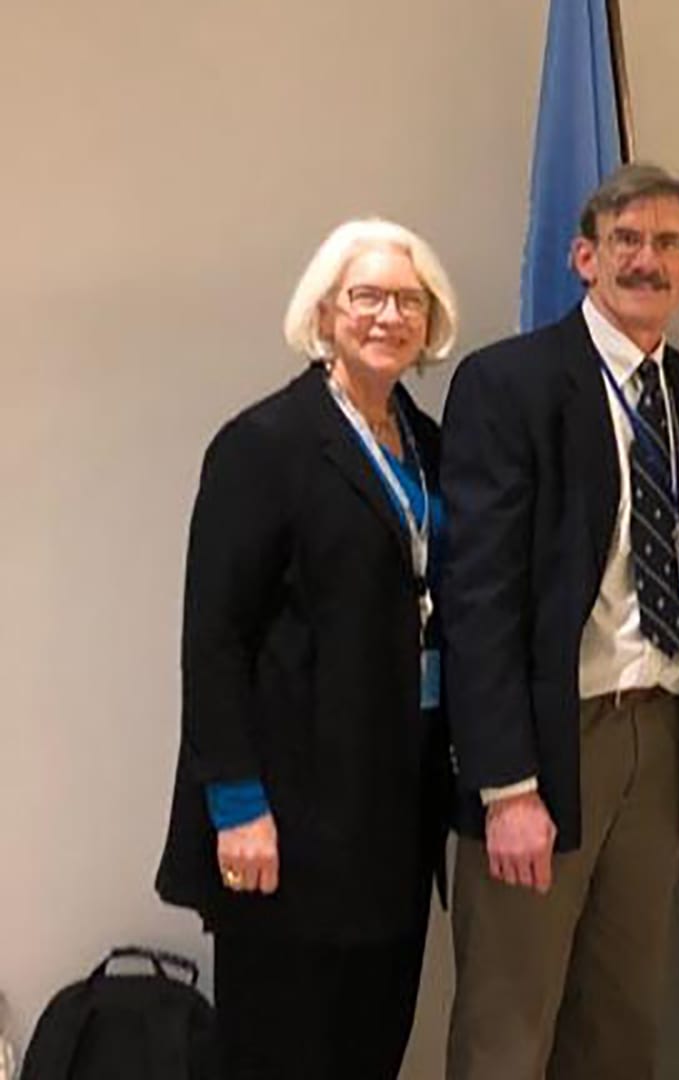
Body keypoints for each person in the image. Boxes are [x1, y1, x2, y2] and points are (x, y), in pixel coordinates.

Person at [440, 163, 679, 1079]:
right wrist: (505, 786)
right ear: (584, 256)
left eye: (667, 244)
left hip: (661, 731)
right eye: (626, 241)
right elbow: (477, 596)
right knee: (510, 1024)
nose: (646, 260)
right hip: (549, 745)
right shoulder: (508, 384)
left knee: (624, 1021)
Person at [156, 218, 459, 1079]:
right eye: (367, 296)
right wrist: (237, 805)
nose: (388, 316)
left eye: (408, 299)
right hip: (285, 823)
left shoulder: (432, 448)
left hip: (393, 812)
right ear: (325, 312)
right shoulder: (264, 445)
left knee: (371, 1046)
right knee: (282, 1052)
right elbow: (213, 640)